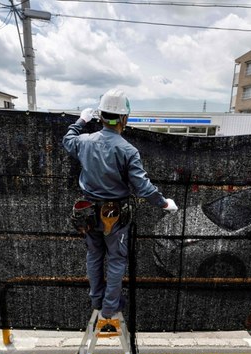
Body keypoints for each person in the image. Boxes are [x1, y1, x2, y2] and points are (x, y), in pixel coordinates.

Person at [63, 88, 178, 319]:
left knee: (94, 255)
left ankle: (97, 300)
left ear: (101, 116)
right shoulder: (127, 150)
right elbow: (143, 187)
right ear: (124, 118)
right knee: (116, 259)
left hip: (88, 213)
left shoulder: (84, 141)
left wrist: (81, 121)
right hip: (114, 215)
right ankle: (109, 307)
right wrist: (164, 203)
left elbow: (68, 140)